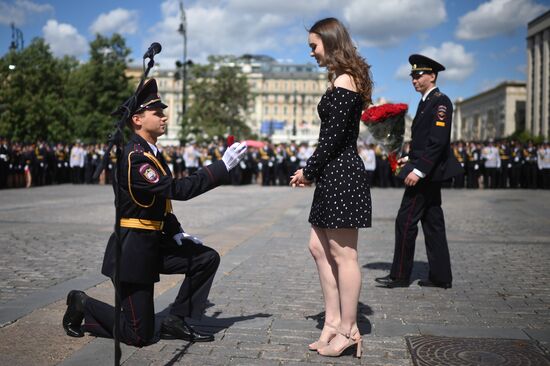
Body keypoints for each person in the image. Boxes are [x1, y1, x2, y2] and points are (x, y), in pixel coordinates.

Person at [62, 79, 247, 346]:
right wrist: (221, 167)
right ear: (137, 119)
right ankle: (82, 304)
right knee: (140, 336)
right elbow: (177, 190)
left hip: (153, 244)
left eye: (162, 111)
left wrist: (176, 232)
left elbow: (158, 202)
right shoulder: (135, 158)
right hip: (132, 252)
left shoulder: (152, 154)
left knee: (205, 259)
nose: (163, 116)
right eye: (156, 112)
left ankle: (177, 319)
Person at [289, 17, 373, 358]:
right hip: (334, 174)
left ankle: (349, 330)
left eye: (314, 46)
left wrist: (308, 171)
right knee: (319, 247)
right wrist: (312, 171)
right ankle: (333, 321)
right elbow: (330, 138)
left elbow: (332, 138)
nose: (311, 52)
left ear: (331, 42)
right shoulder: (341, 79)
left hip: (341, 174)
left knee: (344, 254)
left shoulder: (345, 80)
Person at [375, 54, 462, 289]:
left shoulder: (440, 102)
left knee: (405, 221)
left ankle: (400, 275)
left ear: (432, 76)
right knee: (433, 223)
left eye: (418, 75)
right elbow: (423, 142)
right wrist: (409, 157)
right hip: (428, 171)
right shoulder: (425, 102)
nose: (414, 80)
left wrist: (419, 170)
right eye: (412, 76)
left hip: (427, 175)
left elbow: (437, 142)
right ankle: (441, 276)